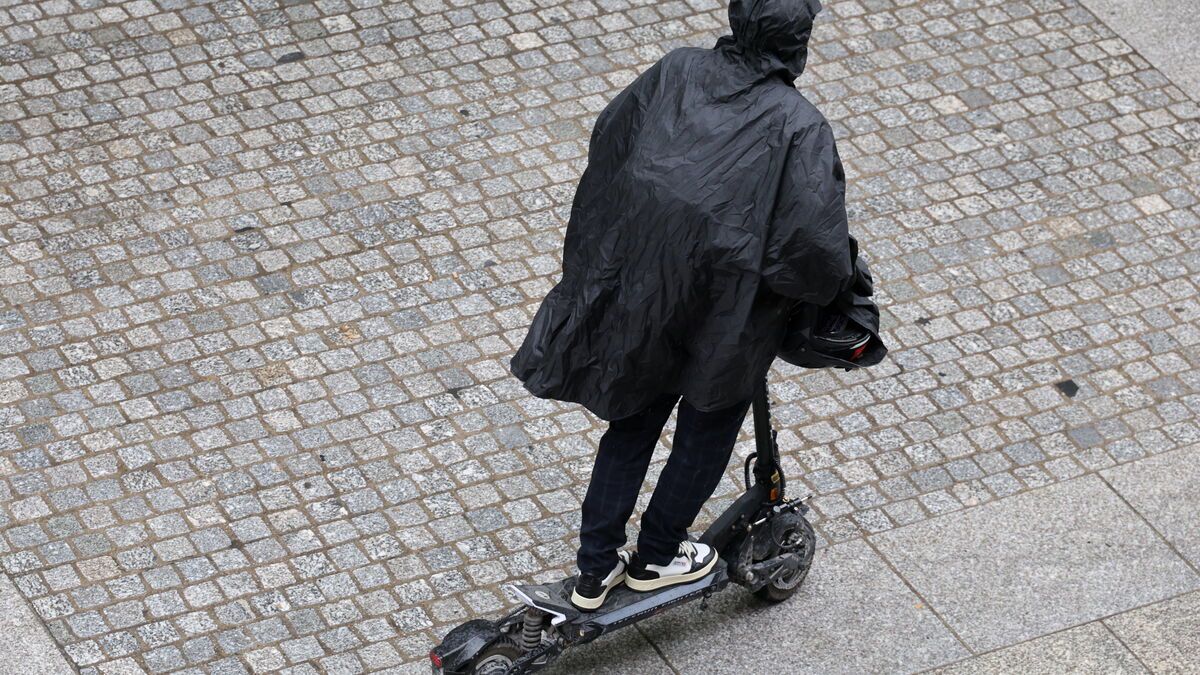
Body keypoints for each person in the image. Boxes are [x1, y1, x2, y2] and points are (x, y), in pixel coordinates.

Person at [510, 0, 857, 611]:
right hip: (728, 314)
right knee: (706, 426)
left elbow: (612, 146)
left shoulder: (676, 72)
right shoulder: (799, 125)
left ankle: (593, 571)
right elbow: (811, 251)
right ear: (797, 38)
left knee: (634, 421)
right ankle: (658, 556)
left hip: (650, 291)